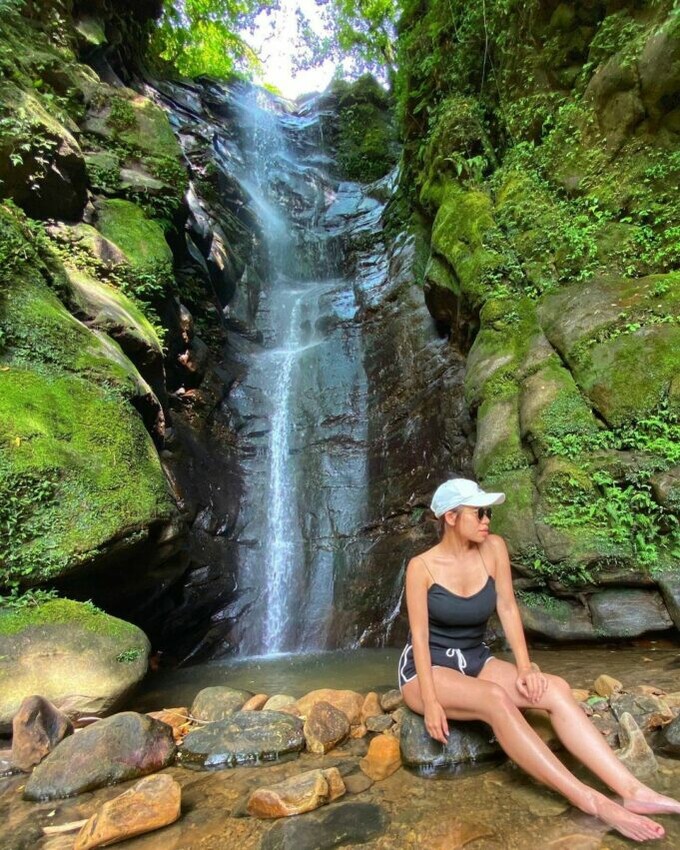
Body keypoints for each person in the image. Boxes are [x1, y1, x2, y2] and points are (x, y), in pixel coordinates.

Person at [398, 478, 680, 843]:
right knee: (494, 699)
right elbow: (420, 636)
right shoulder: (421, 567)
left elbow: (507, 608)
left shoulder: (493, 548)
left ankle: (633, 790)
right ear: (451, 517)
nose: (487, 520)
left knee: (554, 688)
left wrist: (526, 667)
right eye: (479, 513)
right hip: (428, 668)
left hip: (475, 658)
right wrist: (432, 702)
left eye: (489, 512)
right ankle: (590, 800)